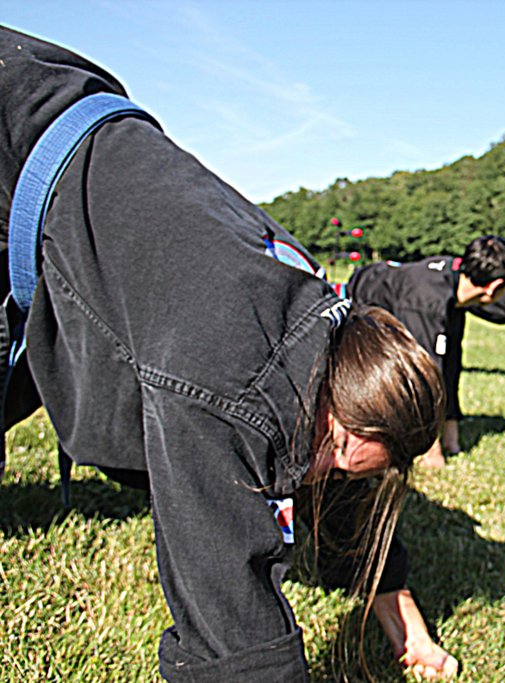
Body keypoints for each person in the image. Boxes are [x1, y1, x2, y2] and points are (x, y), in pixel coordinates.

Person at [0, 26, 456, 682]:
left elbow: (346, 468)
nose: (325, 477)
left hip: (61, 124)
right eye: (340, 464)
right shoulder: (230, 376)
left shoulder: (328, 342)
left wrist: (399, 606)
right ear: (346, 406)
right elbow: (228, 614)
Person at [345, 236, 505, 466]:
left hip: (409, 298)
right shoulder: (427, 302)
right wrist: (431, 453)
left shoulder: (456, 289)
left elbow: (450, 366)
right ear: (495, 286)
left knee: (449, 358)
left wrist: (451, 431)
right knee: (418, 373)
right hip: (359, 301)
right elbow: (422, 379)